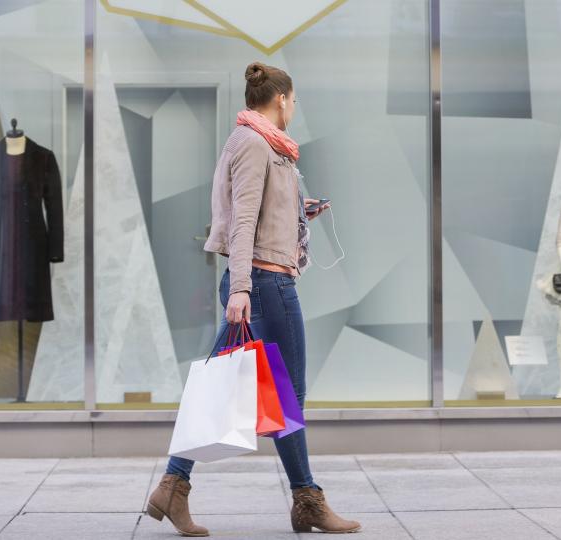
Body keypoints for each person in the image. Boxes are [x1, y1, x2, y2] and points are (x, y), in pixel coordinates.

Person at [145, 62, 362, 537]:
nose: (294, 108)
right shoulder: (255, 144)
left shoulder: (258, 142)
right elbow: (242, 222)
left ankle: (173, 485)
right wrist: (240, 288)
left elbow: (253, 212)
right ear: (281, 99)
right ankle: (307, 499)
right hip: (265, 286)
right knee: (289, 397)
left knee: (229, 388)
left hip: (257, 283)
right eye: (294, 100)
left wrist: (297, 211)